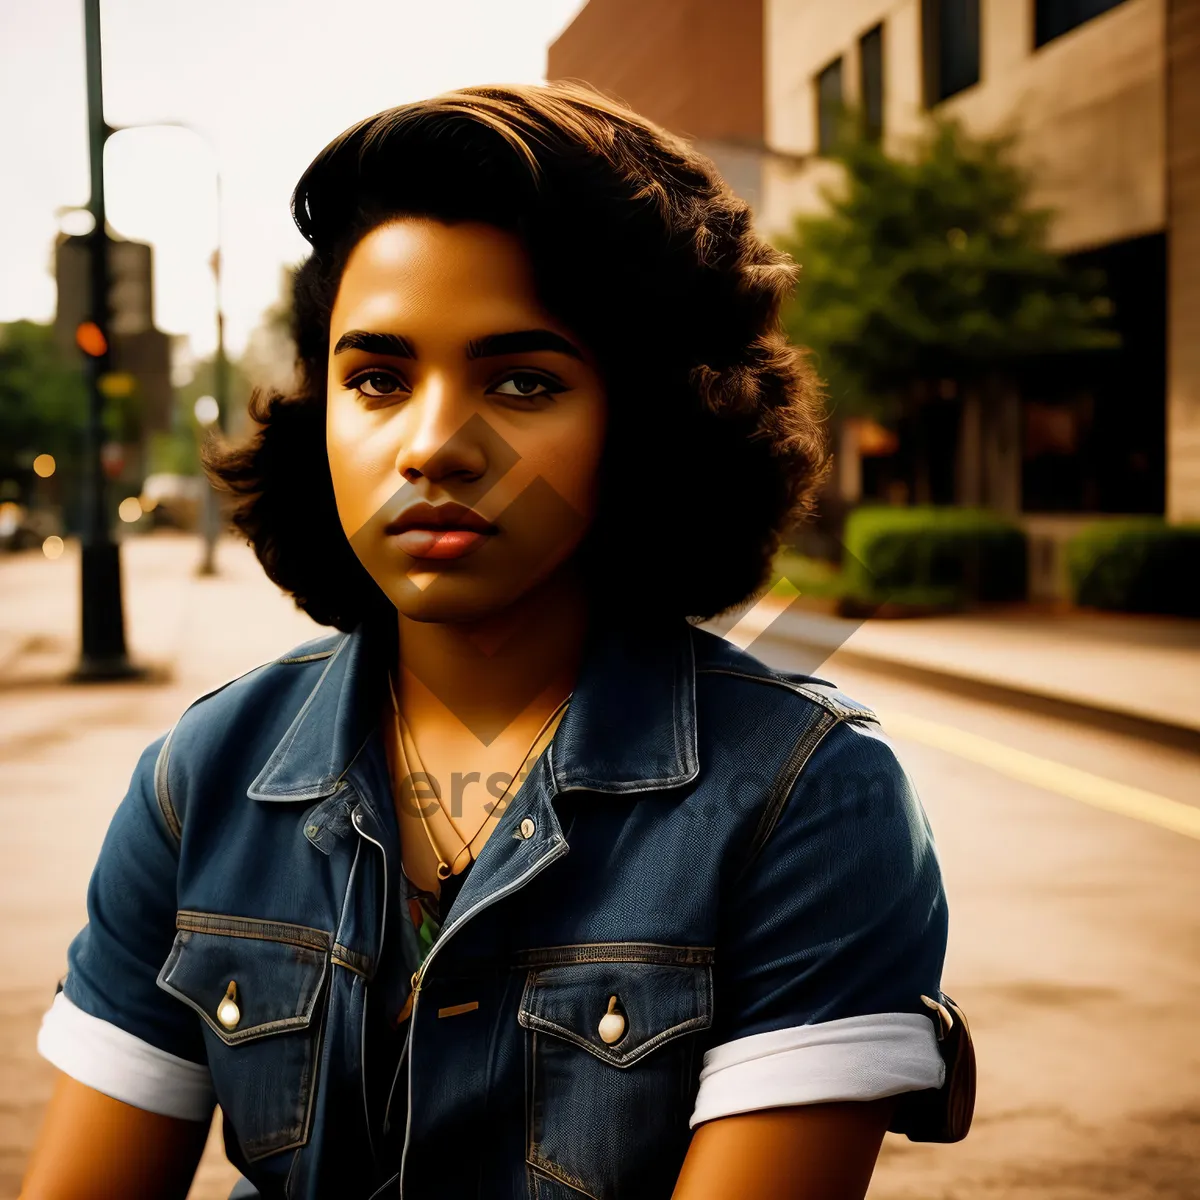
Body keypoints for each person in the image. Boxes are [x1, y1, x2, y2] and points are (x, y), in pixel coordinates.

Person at [21, 83, 973, 1200]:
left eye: (522, 382)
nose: (434, 446)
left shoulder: (806, 803)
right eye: (376, 378)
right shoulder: (204, 777)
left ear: (651, 422)